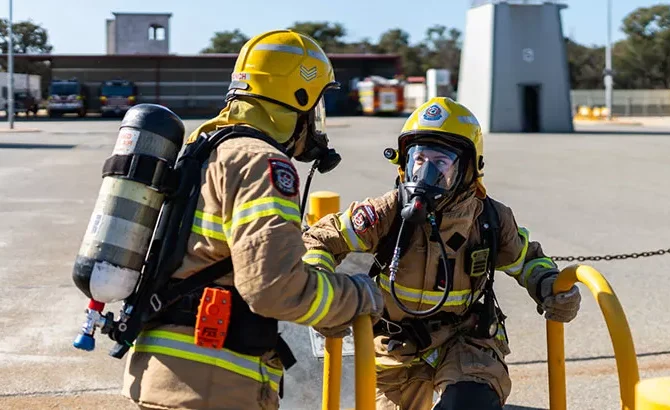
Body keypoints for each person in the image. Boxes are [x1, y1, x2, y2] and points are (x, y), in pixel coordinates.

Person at [120, 29, 383, 410]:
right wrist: (357, 296)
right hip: (212, 388)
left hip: (165, 376)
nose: (317, 119)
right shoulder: (263, 162)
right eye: (318, 104)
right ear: (299, 97)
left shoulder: (207, 147)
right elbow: (274, 288)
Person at [301, 97, 581, 410]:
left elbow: (528, 260)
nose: (427, 173)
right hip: (396, 349)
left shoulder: (489, 219)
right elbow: (319, 240)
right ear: (404, 164)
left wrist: (550, 287)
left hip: (464, 339)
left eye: (441, 163)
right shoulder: (386, 212)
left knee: (468, 404)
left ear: (468, 170)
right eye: (419, 161)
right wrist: (322, 299)